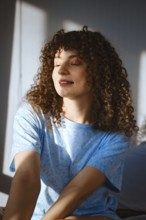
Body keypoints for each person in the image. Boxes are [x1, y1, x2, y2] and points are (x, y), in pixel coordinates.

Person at [3, 26, 138, 220]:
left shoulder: (116, 133)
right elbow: (26, 177)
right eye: (56, 64)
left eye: (74, 63)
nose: (62, 70)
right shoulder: (32, 113)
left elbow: (77, 190)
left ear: (98, 72)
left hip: (94, 215)